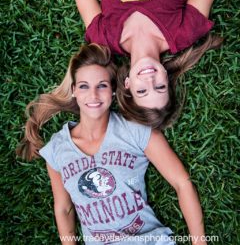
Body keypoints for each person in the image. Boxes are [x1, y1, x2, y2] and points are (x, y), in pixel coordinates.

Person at [17, 44, 208, 244]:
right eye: (84, 86)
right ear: (74, 90)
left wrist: (199, 242)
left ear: (113, 91)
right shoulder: (57, 149)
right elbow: (64, 209)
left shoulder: (135, 131)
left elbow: (182, 183)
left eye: (102, 85)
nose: (93, 95)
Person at [73, 0, 222, 129]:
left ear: (127, 84)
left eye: (142, 90)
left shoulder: (104, 37)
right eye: (160, 87)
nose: (150, 80)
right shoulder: (183, 31)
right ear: (167, 79)